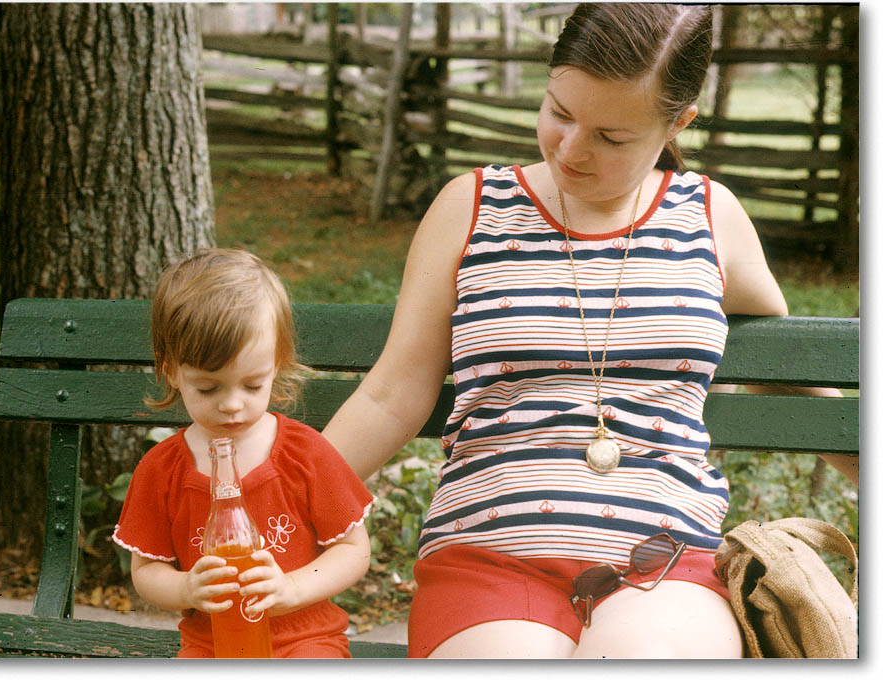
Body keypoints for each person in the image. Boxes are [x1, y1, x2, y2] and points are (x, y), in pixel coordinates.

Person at [322, 2, 857, 659]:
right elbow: (391, 393)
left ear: (676, 124)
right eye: (560, 112)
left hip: (664, 561)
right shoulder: (472, 206)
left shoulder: (711, 218)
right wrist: (281, 498)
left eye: (611, 137)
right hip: (489, 558)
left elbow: (786, 367)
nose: (571, 149)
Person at [113, 248, 373, 658]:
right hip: (211, 643)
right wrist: (185, 588)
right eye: (208, 387)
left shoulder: (303, 452)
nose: (232, 404)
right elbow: (146, 572)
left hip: (304, 638)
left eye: (252, 385)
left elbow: (354, 549)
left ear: (276, 364)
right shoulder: (162, 469)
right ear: (172, 373)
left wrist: (293, 588)